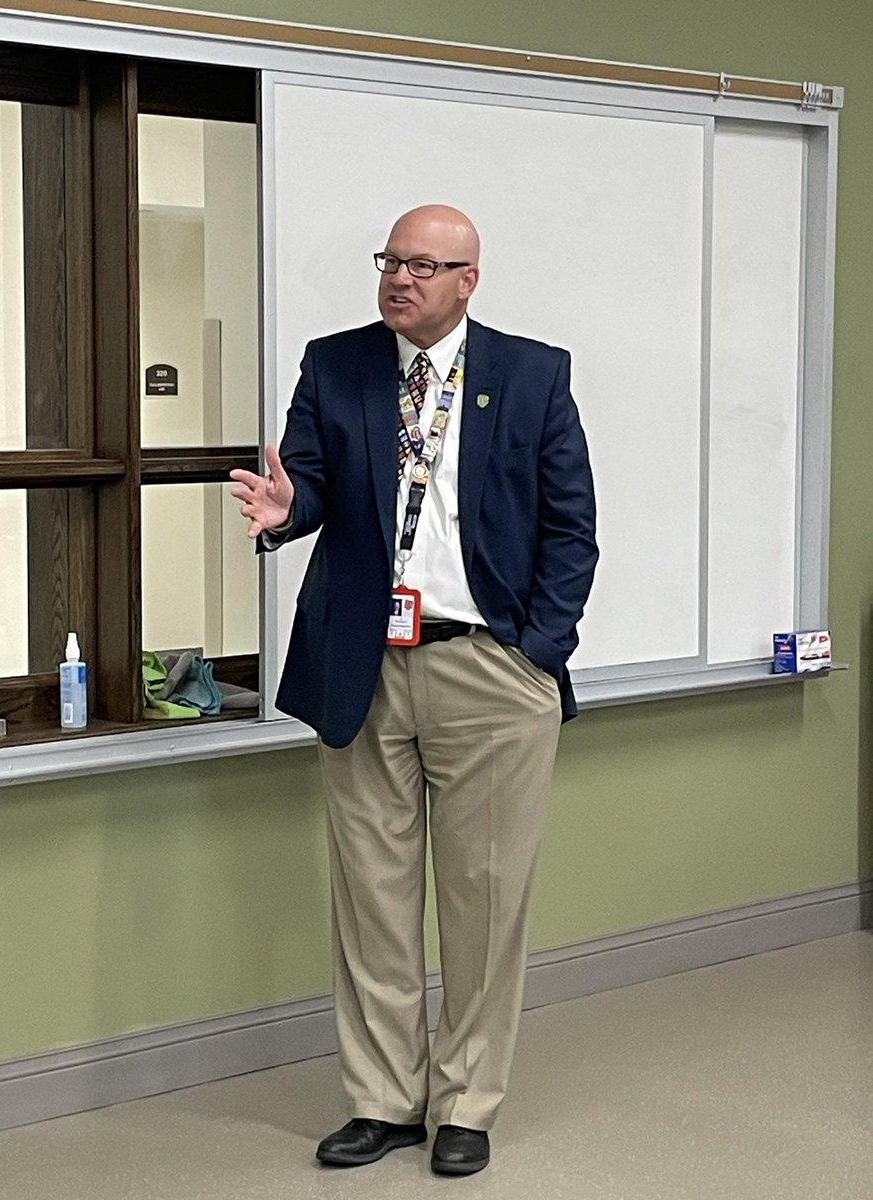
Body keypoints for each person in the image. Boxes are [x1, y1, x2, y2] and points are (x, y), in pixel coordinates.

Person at [230, 204, 598, 1177]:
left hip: (489, 667)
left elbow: (573, 531)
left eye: (424, 266)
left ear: (469, 280)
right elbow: (303, 483)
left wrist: (536, 652)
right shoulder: (337, 362)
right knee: (373, 901)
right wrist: (284, 510)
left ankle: (467, 1100)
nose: (401, 279)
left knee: (482, 900)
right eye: (391, 261)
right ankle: (385, 1101)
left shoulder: (531, 375)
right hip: (363, 663)